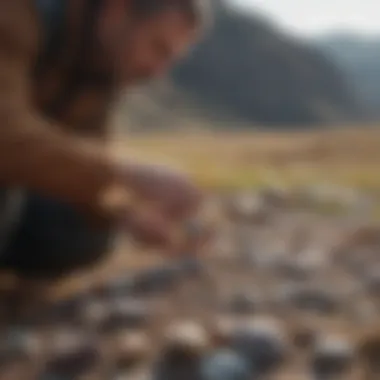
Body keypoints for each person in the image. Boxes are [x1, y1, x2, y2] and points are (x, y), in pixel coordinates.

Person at [0, 0, 211, 280]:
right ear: (117, 10)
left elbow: (83, 165)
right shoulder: (20, 13)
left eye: (169, 59)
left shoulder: (101, 65)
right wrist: (130, 175)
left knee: (83, 233)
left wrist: (128, 214)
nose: (157, 70)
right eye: (157, 47)